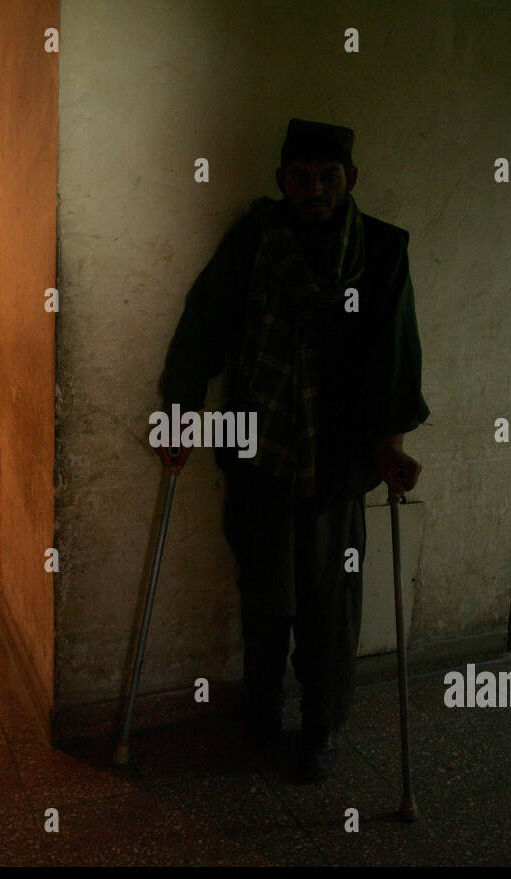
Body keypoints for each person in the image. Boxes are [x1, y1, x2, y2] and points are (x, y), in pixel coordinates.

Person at [155, 118, 430, 780]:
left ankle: (319, 726)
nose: (316, 190)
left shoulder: (382, 252)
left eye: (329, 178)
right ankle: (263, 706)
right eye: (302, 178)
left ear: (350, 180)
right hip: (259, 447)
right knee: (265, 593)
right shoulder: (254, 240)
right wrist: (179, 413)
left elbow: (397, 355)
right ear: (282, 181)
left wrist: (391, 449)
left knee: (328, 603)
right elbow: (205, 324)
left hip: (338, 460)